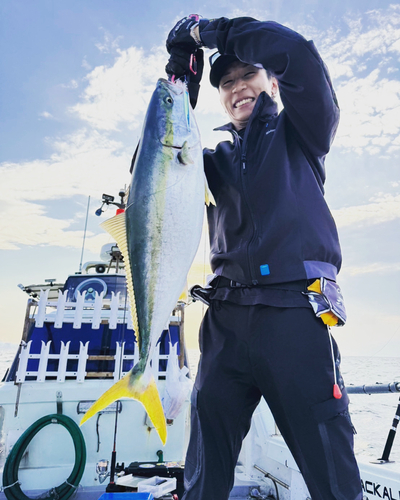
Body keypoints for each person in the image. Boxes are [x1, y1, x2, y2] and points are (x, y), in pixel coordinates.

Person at [165, 16, 362, 500]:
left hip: (295, 316)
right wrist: (176, 87)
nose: (237, 89)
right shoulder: (210, 162)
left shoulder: (302, 132)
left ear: (270, 80)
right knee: (202, 477)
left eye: (247, 75)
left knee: (332, 474)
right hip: (225, 325)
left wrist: (212, 33)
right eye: (226, 83)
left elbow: (297, 53)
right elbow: (154, 177)